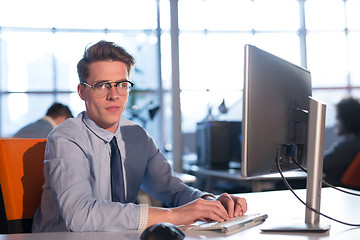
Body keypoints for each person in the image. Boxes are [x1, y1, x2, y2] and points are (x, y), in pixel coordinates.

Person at [32, 40, 248, 232]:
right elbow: (79, 216)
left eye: (122, 84)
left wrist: (210, 202)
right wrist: (174, 216)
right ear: (82, 91)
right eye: (102, 85)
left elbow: (172, 189)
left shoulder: (136, 136)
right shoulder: (65, 137)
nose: (114, 95)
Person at [323, 97, 360, 187]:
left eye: (337, 118)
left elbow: (320, 164)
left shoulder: (349, 144)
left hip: (335, 188)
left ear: (347, 121)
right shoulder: (355, 142)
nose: (335, 123)